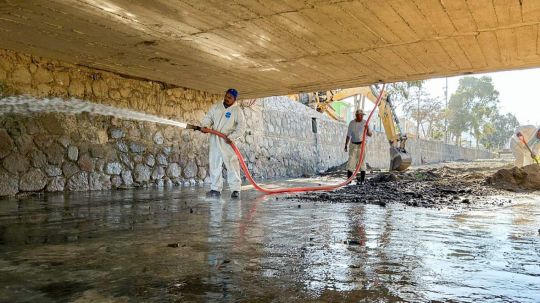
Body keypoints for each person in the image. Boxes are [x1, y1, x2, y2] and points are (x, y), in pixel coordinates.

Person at [200, 88, 246, 198]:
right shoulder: (216, 106)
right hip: (215, 139)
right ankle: (215, 189)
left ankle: (235, 190)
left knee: (231, 164)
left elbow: (241, 128)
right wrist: (205, 125)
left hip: (227, 141)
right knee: (214, 163)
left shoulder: (237, 111)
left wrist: (232, 137)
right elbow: (208, 117)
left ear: (234, 99)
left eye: (230, 97)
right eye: (226, 96)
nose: (227, 98)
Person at [344, 109, 372, 184]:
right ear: (356, 115)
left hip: (362, 145)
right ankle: (349, 181)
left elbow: (370, 134)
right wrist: (346, 145)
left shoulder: (365, 123)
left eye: (362, 115)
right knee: (351, 162)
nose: (362, 116)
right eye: (360, 115)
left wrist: (367, 128)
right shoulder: (352, 123)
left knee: (362, 162)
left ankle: (362, 180)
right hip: (353, 144)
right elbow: (348, 135)